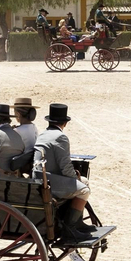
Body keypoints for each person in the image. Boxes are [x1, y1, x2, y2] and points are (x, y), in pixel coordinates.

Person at [32, 103, 92, 245]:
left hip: (40, 177)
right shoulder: (60, 137)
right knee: (84, 190)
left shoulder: (43, 135)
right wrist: (75, 178)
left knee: (84, 182)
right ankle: (69, 229)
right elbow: (65, 166)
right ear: (65, 123)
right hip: (48, 181)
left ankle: (77, 223)